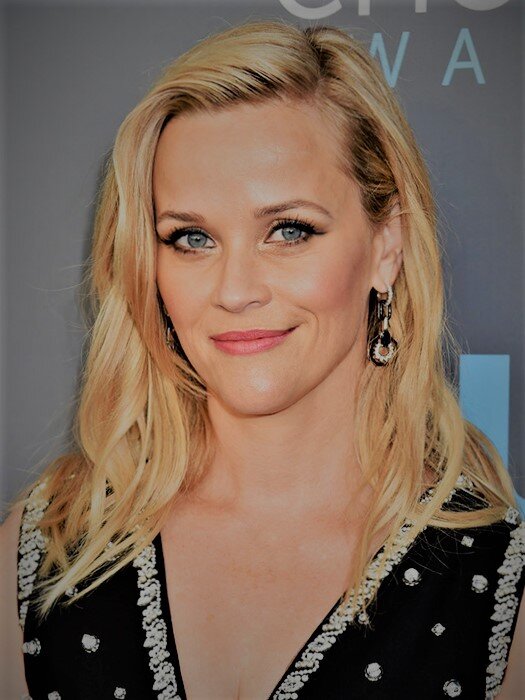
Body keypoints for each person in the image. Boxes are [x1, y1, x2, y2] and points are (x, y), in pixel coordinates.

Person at [1, 18, 524, 700]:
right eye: (191, 238)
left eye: (289, 230)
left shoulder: (496, 586)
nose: (235, 290)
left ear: (386, 245)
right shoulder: (52, 544)